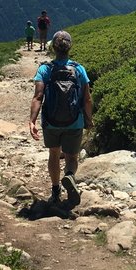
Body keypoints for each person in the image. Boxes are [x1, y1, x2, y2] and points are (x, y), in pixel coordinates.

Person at [29, 30, 93, 205]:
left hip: (51, 122)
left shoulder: (45, 69)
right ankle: (70, 176)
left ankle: (56, 190)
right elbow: (87, 98)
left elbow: (38, 97)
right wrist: (89, 119)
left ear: (53, 48)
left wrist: (32, 121)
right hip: (74, 121)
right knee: (72, 157)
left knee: (54, 154)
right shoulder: (79, 69)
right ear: (69, 47)